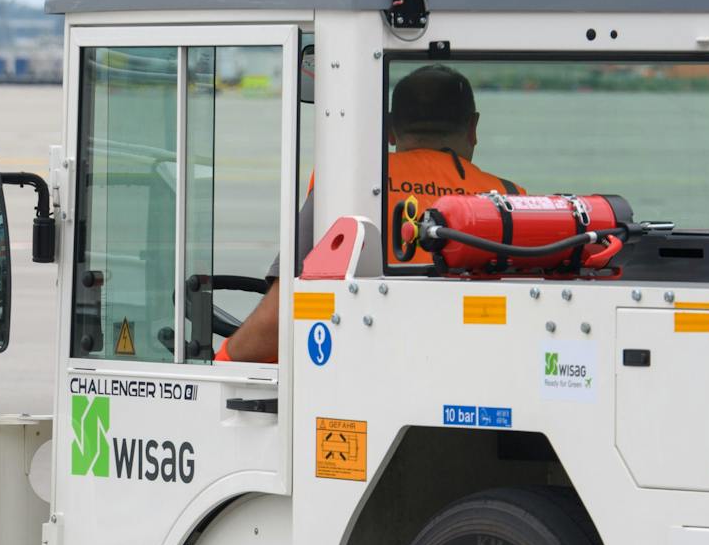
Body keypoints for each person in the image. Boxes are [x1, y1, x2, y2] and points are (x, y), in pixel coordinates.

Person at [220, 64, 517, 362]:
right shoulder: (510, 198)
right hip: (478, 367)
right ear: (473, 128)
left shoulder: (347, 185)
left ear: (388, 129)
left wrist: (223, 363)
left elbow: (277, 320)